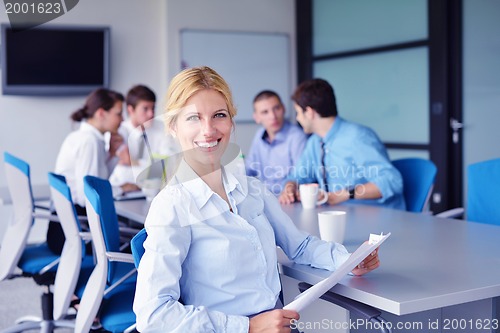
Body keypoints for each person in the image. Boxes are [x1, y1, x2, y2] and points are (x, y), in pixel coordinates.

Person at [133, 66, 380, 333]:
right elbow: (154, 315)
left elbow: (300, 246)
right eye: (193, 118)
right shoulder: (171, 206)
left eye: (219, 115)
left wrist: (348, 260)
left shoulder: (252, 189)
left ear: (231, 121)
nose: (208, 130)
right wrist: (248, 327)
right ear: (172, 126)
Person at [278, 79, 405, 210]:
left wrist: (343, 194)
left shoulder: (357, 137)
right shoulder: (314, 142)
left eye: (298, 112)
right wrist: (289, 187)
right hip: (337, 215)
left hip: (376, 217)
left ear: (309, 112)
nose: (298, 118)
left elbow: (392, 181)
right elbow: (298, 176)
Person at [48, 88, 139, 254]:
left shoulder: (85, 138)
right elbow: (87, 197)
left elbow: (97, 180)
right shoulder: (89, 142)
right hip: (75, 233)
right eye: (118, 113)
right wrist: (121, 189)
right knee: (140, 239)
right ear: (101, 113)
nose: (122, 119)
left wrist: (111, 154)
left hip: (66, 228)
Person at [109, 84, 178, 187]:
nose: (151, 114)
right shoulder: (119, 132)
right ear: (131, 110)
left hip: (156, 191)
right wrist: (150, 167)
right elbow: (118, 174)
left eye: (153, 108)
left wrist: (134, 163)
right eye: (145, 109)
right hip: (125, 195)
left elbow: (167, 166)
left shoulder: (162, 128)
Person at [245, 90, 308, 195]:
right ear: (257, 118)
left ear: (283, 108)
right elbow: (249, 168)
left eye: (276, 108)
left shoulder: (297, 136)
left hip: (288, 198)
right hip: (264, 197)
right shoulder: (259, 135)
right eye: (265, 112)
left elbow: (301, 175)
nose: (273, 116)